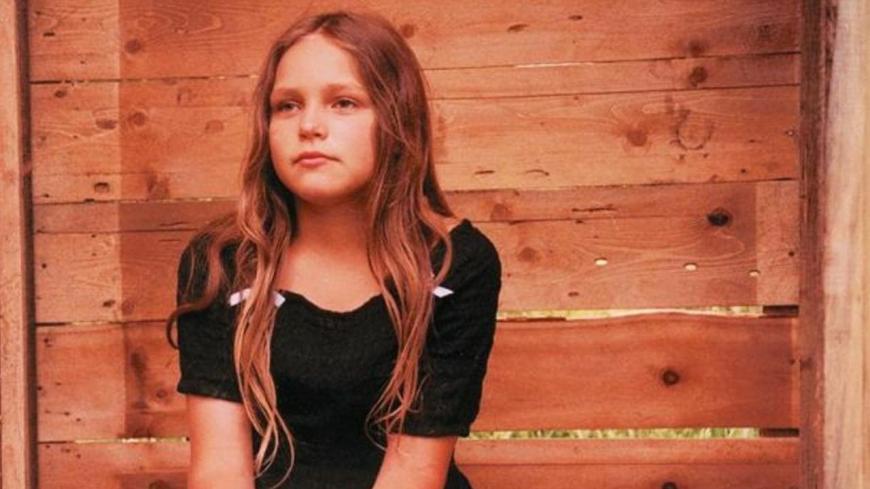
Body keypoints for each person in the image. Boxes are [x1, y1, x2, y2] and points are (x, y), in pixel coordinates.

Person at [165, 10, 502, 489]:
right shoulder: (223, 262)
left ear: (396, 117)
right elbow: (219, 470)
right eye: (287, 105)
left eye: (343, 103)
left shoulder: (453, 263)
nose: (309, 125)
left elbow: (414, 473)